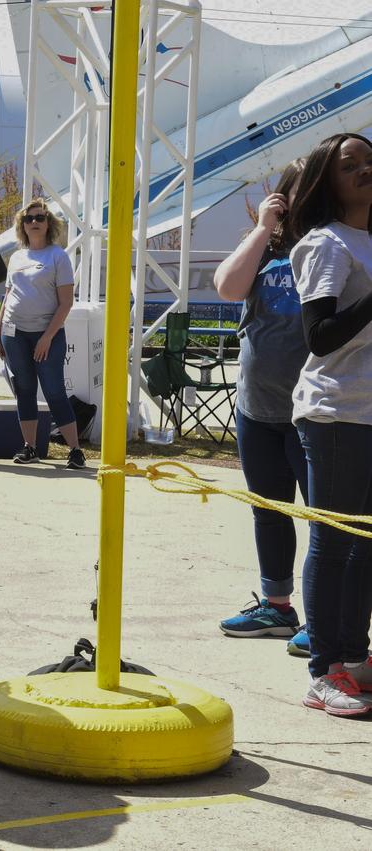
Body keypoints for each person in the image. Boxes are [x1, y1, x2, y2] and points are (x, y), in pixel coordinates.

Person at [285, 132, 372, 716]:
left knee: (365, 543)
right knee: (335, 539)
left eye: (370, 159)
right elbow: (319, 336)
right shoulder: (326, 244)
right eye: (350, 164)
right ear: (326, 181)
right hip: (336, 409)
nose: (364, 167)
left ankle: (356, 658)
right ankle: (325, 669)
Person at [212, 161, 311, 646]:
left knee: (327, 519)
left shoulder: (334, 245)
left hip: (316, 415)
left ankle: (329, 619)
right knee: (268, 510)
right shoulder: (267, 253)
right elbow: (228, 287)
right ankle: (277, 608)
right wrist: (262, 228)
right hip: (258, 411)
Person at [0, 199, 84, 470]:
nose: (34, 222)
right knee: (24, 390)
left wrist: (46, 338)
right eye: (28, 219)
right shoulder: (17, 257)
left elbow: (66, 303)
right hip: (14, 333)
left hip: (47, 334)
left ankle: (75, 450)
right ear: (22, 225)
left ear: (48, 224)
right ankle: (30, 448)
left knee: (55, 391)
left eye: (39, 218)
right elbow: (8, 296)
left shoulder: (58, 256)